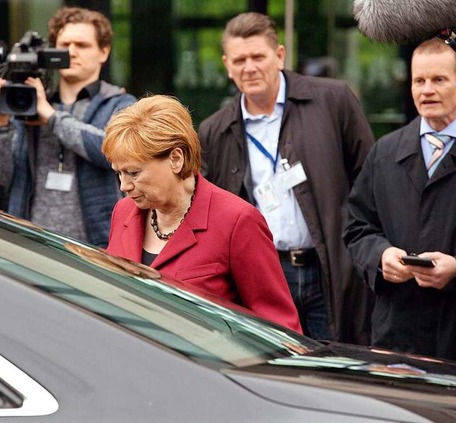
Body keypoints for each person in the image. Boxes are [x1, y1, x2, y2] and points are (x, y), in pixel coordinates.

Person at [198, 12, 375, 343]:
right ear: (226, 64)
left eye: (257, 56)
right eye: (239, 59)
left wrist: (358, 254)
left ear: (279, 55)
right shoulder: (215, 130)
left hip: (331, 272)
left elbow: (369, 182)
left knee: (334, 369)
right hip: (265, 276)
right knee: (279, 371)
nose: (249, 67)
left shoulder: (332, 100)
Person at [101, 94, 301, 332]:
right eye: (118, 173)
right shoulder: (124, 211)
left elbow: (279, 327)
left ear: (176, 158)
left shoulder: (237, 221)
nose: (124, 186)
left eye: (133, 173)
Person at [0, 6, 136, 247]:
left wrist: (52, 118)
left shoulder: (120, 104)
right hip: (30, 244)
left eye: (82, 45)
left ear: (103, 52)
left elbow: (114, 152)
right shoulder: (27, 102)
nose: (72, 52)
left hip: (97, 247)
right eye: (64, 45)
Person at [343, 38, 456, 360]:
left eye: (439, 80)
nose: (427, 90)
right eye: (419, 80)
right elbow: (356, 226)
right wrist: (381, 256)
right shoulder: (386, 152)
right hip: (397, 334)